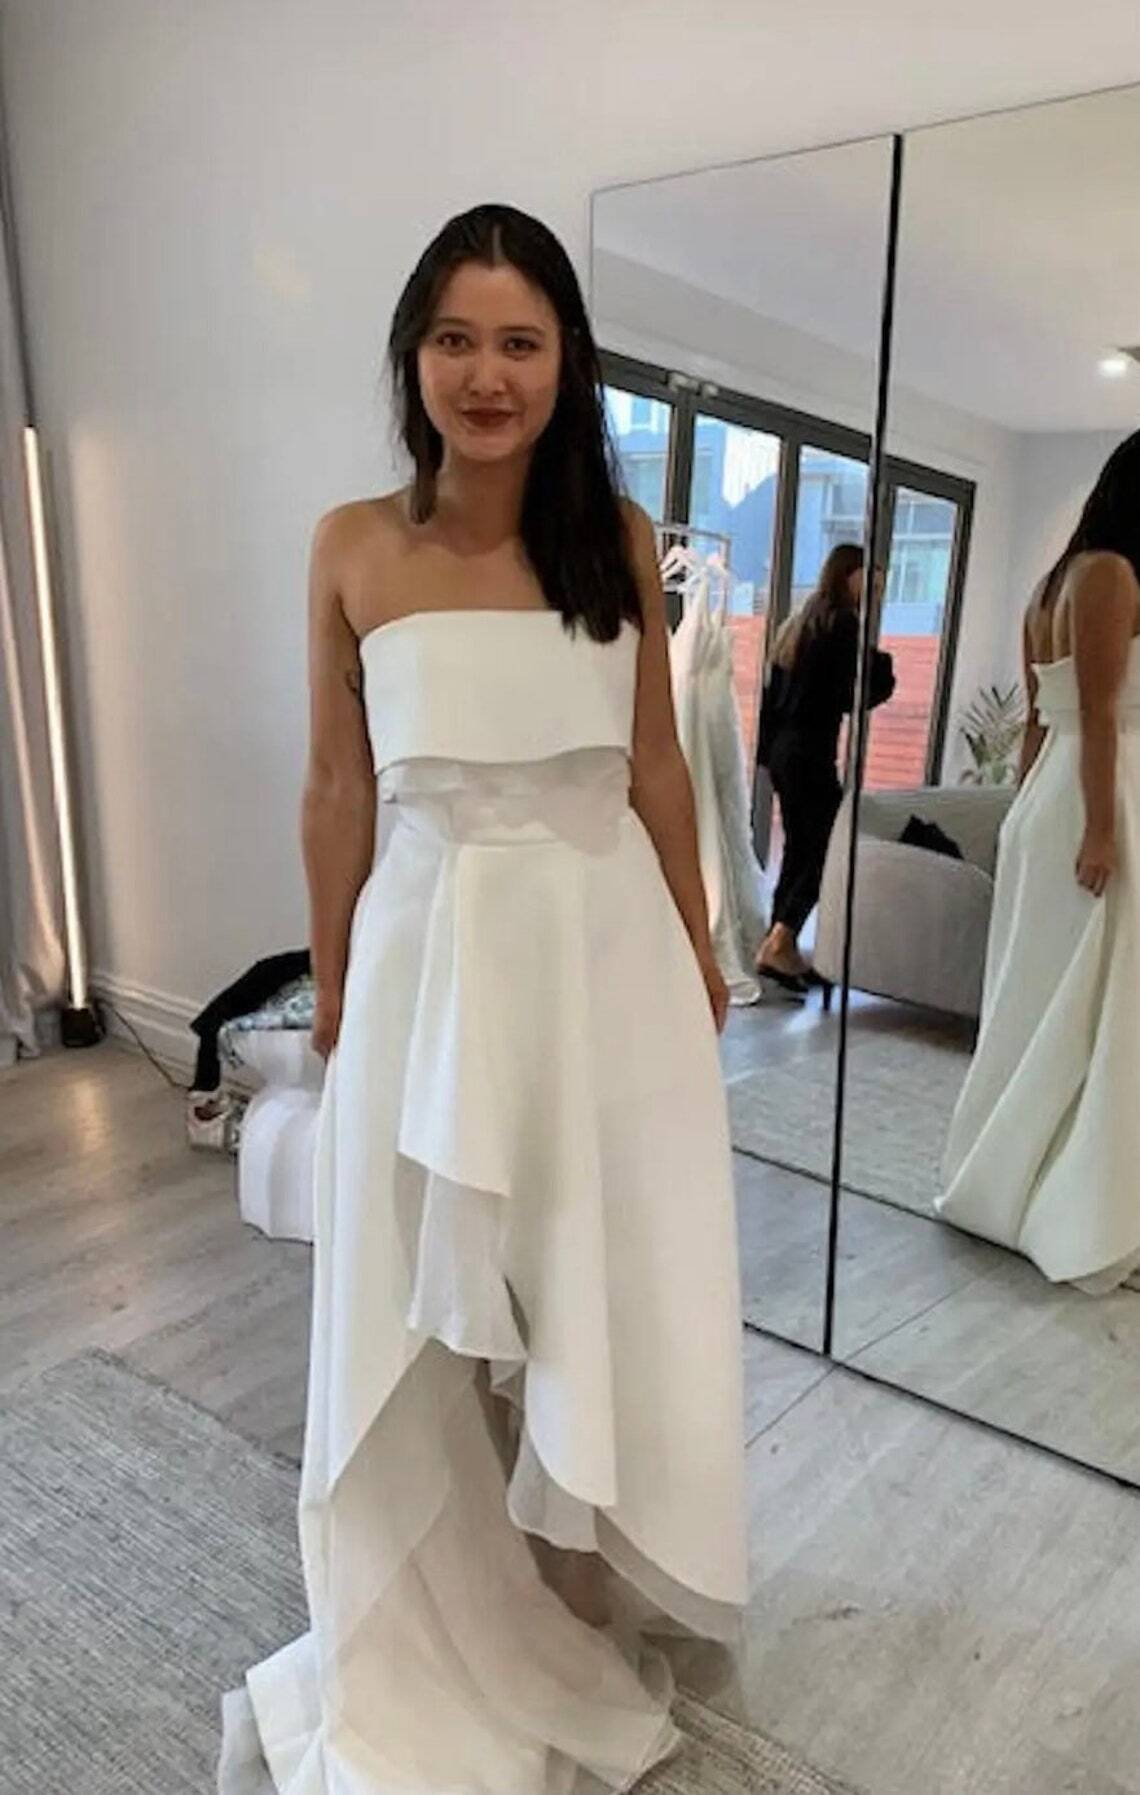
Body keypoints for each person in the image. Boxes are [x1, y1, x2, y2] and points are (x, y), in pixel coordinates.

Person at [216, 204, 749, 1795]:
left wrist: (700, 946)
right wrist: (331, 979)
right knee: (412, 1296)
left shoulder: (620, 542)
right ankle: (437, 1610)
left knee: (590, 1271)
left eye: (521, 341)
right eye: (456, 338)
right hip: (425, 947)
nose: (488, 374)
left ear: (567, 362)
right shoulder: (350, 543)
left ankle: (569, 1582)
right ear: (415, 356)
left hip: (603, 953)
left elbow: (657, 766)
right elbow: (334, 786)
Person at [939, 431, 1140, 1291]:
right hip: (1099, 799)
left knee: (1050, 995)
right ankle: (1068, 1200)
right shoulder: (1109, 575)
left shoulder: (1054, 582)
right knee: (1093, 1002)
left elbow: (1037, 722)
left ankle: (1024, 1177)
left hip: (1056, 797)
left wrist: (1023, 813)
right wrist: (1099, 830)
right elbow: (1098, 716)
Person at [754, 543, 894, 992]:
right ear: (847, 576)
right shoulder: (843, 624)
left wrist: (766, 756)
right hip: (811, 752)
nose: (875, 592)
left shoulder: (800, 621)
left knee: (800, 848)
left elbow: (773, 694)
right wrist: (881, 664)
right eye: (870, 582)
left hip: (785, 752)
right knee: (827, 849)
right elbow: (856, 695)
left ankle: (779, 945)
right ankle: (781, 939)